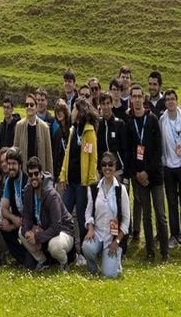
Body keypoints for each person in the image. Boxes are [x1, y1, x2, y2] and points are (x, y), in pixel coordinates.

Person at [126, 84, 168, 260]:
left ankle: (165, 252)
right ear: (130, 99)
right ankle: (150, 251)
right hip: (138, 178)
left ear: (143, 98)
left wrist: (147, 173)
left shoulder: (152, 120)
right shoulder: (129, 124)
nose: (136, 100)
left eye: (139, 96)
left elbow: (159, 150)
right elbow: (128, 152)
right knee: (146, 216)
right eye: (133, 96)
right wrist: (137, 174)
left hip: (155, 176)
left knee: (160, 214)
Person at [59, 101, 98, 260]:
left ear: (80, 111)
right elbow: (67, 155)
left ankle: (82, 251)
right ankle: (69, 250)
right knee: (65, 213)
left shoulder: (89, 131)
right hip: (70, 182)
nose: (72, 112)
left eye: (74, 108)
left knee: (82, 217)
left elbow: (92, 158)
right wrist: (63, 175)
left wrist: (89, 182)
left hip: (82, 184)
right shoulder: (73, 129)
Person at [20, 156, 74, 270]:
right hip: (43, 229)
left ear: (41, 174)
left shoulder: (51, 194)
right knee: (21, 232)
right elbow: (26, 217)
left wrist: (38, 238)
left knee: (54, 246)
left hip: (64, 231)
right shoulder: (28, 191)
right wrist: (28, 233)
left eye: (36, 174)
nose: (33, 177)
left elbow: (57, 226)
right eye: (30, 175)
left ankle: (65, 262)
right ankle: (43, 261)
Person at [82, 152, 130, 278]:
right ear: (100, 167)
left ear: (115, 167)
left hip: (112, 238)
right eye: (104, 164)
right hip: (97, 233)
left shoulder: (121, 190)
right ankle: (92, 268)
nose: (107, 168)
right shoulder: (93, 188)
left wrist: (117, 241)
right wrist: (90, 229)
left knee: (109, 275)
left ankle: (115, 262)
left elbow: (126, 220)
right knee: (86, 247)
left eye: (110, 164)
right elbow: (88, 211)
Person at [0, 147, 31, 267]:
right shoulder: (9, 181)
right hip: (18, 220)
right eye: (9, 163)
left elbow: (30, 215)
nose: (11, 167)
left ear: (20, 165)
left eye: (14, 164)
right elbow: (4, 209)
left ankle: (30, 258)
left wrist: (13, 226)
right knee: (3, 225)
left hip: (30, 222)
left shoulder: (28, 181)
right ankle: (22, 259)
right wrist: (13, 219)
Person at [13, 94, 54, 178]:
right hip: (23, 173)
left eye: (31, 105)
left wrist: (50, 177)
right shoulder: (19, 126)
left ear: (36, 107)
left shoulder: (44, 127)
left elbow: (48, 155)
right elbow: (15, 151)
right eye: (26, 105)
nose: (29, 107)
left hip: (39, 174)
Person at [161, 89, 181, 248]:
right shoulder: (162, 120)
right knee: (172, 202)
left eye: (172, 99)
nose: (170, 102)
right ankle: (174, 235)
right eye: (167, 99)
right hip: (168, 167)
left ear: (177, 100)